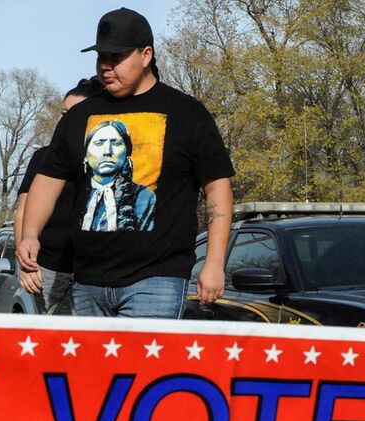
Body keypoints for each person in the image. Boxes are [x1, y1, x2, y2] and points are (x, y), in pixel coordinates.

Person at [16, 7, 234, 319]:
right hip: (87, 280)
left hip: (157, 279)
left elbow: (217, 189)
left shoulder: (187, 113)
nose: (106, 66)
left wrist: (213, 263)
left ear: (146, 55)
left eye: (116, 57)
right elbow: (48, 180)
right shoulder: (78, 116)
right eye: (101, 57)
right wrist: (30, 234)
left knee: (145, 368)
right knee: (89, 370)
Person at [15, 77, 104, 314]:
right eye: (63, 113)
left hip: (93, 271)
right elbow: (22, 210)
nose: (67, 120)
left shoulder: (106, 159)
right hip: (48, 267)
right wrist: (24, 265)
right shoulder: (43, 157)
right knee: (52, 341)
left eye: (75, 113)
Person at [81, 119, 156, 232]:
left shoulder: (144, 196)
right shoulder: (73, 191)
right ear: (86, 154)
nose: (107, 151)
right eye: (99, 143)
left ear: (127, 153)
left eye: (116, 143)